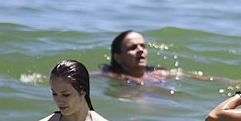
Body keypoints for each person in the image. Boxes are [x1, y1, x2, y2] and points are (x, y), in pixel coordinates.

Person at [96, 30, 224, 85]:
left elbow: (200, 78)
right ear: (118, 58)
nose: (140, 50)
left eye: (143, 46)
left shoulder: (159, 74)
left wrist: (235, 84)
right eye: (133, 48)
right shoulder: (112, 76)